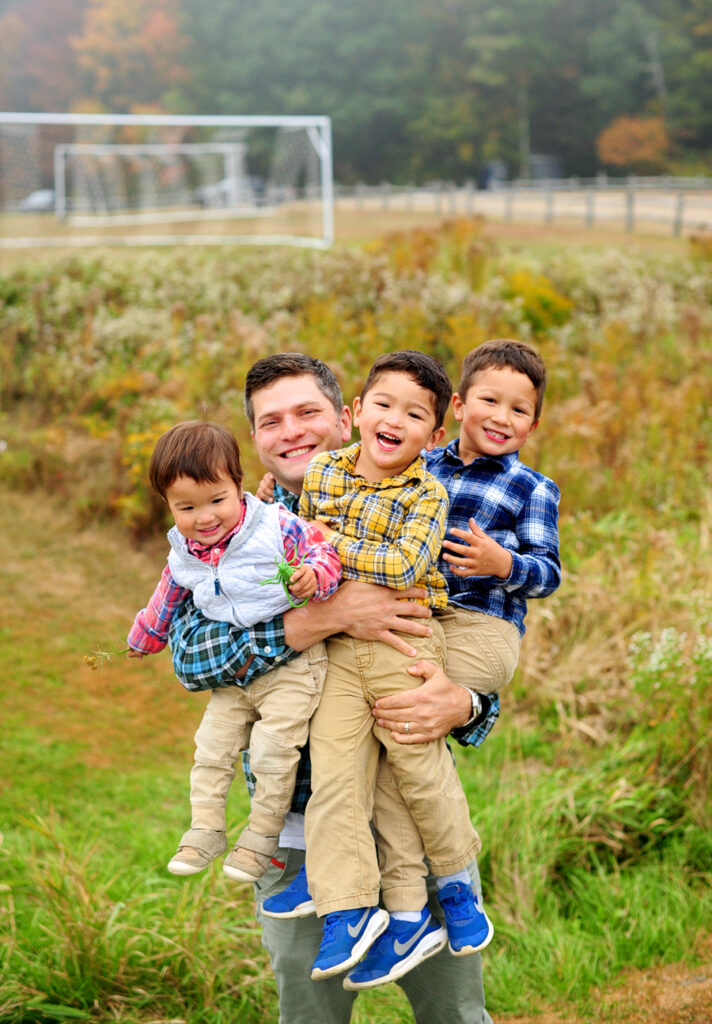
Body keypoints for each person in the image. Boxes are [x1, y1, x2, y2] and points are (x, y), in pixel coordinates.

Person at [168, 353, 499, 1024]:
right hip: (294, 834)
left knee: (455, 1014)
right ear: (254, 437)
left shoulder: (407, 501)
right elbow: (192, 656)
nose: (291, 431)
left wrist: (466, 704)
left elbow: (474, 636)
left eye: (307, 412)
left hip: (405, 818)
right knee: (311, 1015)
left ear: (344, 416)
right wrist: (323, 617)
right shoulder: (226, 528)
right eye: (271, 421)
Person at [295, 351, 488, 989]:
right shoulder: (322, 471)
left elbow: (405, 568)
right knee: (335, 773)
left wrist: (330, 545)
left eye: (413, 415)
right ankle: (346, 908)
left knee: (416, 764)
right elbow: (297, 549)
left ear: (434, 437)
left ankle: (457, 881)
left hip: (405, 642)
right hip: (339, 651)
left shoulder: (428, 493)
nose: (393, 420)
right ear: (356, 413)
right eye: (382, 404)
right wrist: (319, 549)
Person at [126, 420, 342, 882]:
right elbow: (168, 596)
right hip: (235, 677)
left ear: (238, 486)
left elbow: (322, 551)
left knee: (272, 751)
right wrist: (146, 635)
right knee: (211, 747)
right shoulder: (184, 551)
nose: (205, 518)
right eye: (187, 507)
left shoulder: (273, 525)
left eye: (217, 500)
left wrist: (315, 576)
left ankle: (262, 837)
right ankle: (204, 830)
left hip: (294, 666)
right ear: (168, 504)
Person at [427, 338, 561, 712]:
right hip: (424, 614)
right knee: (400, 714)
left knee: (398, 687)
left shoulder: (532, 488)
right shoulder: (423, 465)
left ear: (531, 426)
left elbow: (548, 573)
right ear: (458, 405)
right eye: (489, 401)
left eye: (518, 410)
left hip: (480, 623)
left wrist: (503, 564)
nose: (502, 418)